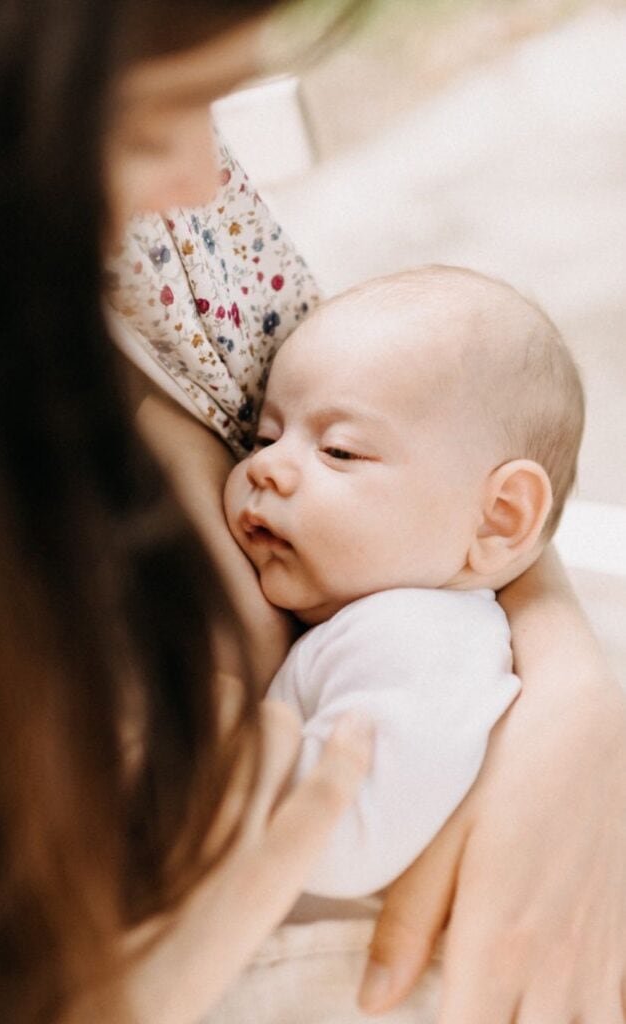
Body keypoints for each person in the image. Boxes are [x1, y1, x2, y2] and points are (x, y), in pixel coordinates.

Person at [0, 3, 625, 1024]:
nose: (203, 178)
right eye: (151, 122)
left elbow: (448, 459)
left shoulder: (181, 239)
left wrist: (568, 697)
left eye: (218, 107)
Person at [224, 264, 583, 905]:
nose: (267, 467)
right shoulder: (404, 628)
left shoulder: (416, 640)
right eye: (265, 436)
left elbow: (339, 841)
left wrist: (211, 747)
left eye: (339, 451)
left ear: (500, 517)